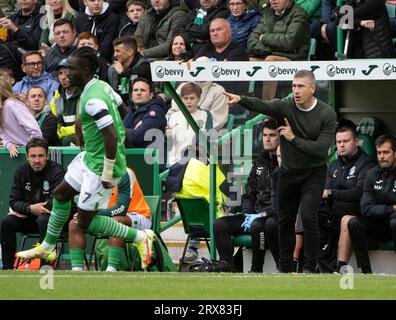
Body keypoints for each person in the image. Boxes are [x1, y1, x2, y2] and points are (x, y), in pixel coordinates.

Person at [16, 46, 155, 270]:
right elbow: (122, 109)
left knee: (84, 222)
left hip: (100, 165)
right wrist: (93, 129)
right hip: (89, 157)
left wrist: (109, 169)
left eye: (72, 68)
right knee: (61, 194)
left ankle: (140, 237)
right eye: (66, 67)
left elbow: (110, 134)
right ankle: (48, 246)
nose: (67, 72)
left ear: (87, 69)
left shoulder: (92, 99)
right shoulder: (102, 87)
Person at [224, 69, 337, 273]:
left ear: (313, 88)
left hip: (314, 173)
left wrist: (293, 138)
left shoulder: (326, 113)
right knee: (284, 221)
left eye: (300, 86)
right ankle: (284, 268)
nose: (296, 90)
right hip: (288, 173)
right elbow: (263, 105)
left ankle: (310, 268)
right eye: (293, 86)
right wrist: (241, 99)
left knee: (310, 217)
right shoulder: (285, 106)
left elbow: (321, 150)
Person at [213, 117, 280, 272]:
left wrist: (262, 215)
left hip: (271, 217)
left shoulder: (285, 162)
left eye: (272, 135)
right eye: (265, 135)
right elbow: (249, 193)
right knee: (220, 224)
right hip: (253, 215)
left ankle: (256, 270)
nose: (267, 139)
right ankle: (228, 266)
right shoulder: (260, 162)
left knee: (258, 225)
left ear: (280, 137)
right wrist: (247, 214)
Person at [0, 138, 66, 269]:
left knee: (43, 219)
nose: (37, 160)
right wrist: (29, 208)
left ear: (47, 156)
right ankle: (7, 269)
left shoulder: (57, 171)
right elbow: (14, 201)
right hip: (29, 218)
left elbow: (57, 202)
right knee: (7, 222)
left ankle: (45, 268)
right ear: (27, 157)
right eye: (33, 156)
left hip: (52, 221)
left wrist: (31, 209)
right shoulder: (21, 171)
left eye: (41, 156)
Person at [68, 167, 152, 271]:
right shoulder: (91, 175)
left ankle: (111, 270)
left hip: (138, 216)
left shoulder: (125, 173)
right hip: (107, 217)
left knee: (116, 221)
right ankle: (77, 270)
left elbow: (121, 209)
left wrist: (92, 214)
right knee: (75, 223)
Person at [321, 122, 376, 272]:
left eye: (346, 141)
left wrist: (332, 193)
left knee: (346, 219)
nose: (342, 145)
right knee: (309, 212)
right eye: (339, 142)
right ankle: (305, 266)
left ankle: (341, 269)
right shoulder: (332, 166)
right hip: (333, 213)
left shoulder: (367, 163)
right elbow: (324, 191)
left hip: (357, 213)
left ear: (356, 142)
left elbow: (358, 192)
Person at [347, 135, 396, 274]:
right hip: (379, 224)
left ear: (395, 153)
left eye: (386, 152)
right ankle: (366, 272)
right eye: (379, 152)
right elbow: (366, 209)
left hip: (394, 223)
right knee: (354, 223)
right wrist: (391, 208)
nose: (381, 156)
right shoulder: (371, 175)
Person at [247, 0, 310, 101]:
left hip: (295, 60)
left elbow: (290, 42)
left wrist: (264, 38)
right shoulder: (268, 13)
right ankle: (245, 106)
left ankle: (266, 109)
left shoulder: (299, 13)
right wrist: (274, 49)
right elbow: (251, 41)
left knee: (271, 61)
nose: (273, 1)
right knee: (248, 61)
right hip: (272, 56)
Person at [166, 82, 213, 166]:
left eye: (192, 98)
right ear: (181, 99)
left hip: (197, 162)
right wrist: (167, 136)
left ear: (199, 99)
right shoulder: (173, 116)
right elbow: (167, 143)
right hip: (174, 162)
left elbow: (207, 138)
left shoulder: (205, 115)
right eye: (185, 98)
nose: (189, 101)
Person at [0, 78, 42, 158]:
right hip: (17, 155)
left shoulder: (12, 104)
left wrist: (31, 149)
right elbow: (3, 136)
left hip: (32, 154)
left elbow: (36, 132)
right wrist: (9, 145)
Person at [123, 77, 167, 148]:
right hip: (134, 157)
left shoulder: (156, 111)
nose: (138, 93)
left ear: (151, 95)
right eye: (135, 90)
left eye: (142, 90)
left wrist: (118, 131)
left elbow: (137, 137)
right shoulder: (131, 112)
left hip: (152, 158)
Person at [108, 36, 151, 104]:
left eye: (118, 51)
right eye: (114, 51)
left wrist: (122, 74)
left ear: (130, 52)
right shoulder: (113, 68)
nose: (114, 55)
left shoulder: (144, 67)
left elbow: (135, 95)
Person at [50, 58, 82, 146]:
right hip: (63, 138)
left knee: (68, 140)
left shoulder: (84, 95)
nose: (63, 77)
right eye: (60, 73)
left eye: (66, 72)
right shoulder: (56, 99)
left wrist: (63, 131)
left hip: (82, 138)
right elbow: (55, 126)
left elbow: (84, 126)